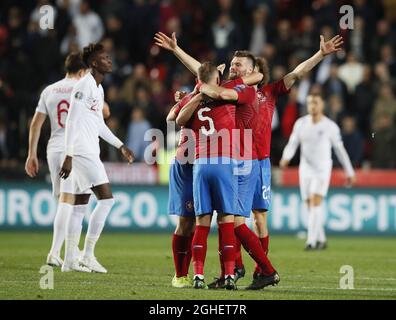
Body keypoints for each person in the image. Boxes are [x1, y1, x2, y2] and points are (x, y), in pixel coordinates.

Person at [25, 52, 110, 268]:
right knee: (70, 202)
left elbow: (35, 124)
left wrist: (31, 154)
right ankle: (57, 253)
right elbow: (105, 113)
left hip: (53, 149)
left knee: (65, 201)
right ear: (83, 70)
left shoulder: (49, 90)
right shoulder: (85, 86)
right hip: (74, 148)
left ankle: (69, 252)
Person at [59, 43, 134, 273]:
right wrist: (69, 155)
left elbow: (99, 124)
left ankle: (70, 259)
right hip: (81, 151)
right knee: (107, 200)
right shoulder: (84, 85)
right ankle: (88, 255)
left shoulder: (98, 89)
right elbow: (71, 120)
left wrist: (120, 144)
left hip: (87, 150)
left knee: (80, 205)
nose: (109, 60)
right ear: (93, 63)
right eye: (104, 57)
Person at [280, 93, 356, 250]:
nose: (312, 106)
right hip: (305, 169)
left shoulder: (330, 126)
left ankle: (311, 241)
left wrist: (350, 172)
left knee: (315, 201)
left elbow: (340, 150)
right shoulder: (301, 124)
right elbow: (293, 143)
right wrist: (285, 157)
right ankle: (321, 238)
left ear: (322, 105)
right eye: (309, 103)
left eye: (315, 102)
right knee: (309, 205)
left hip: (322, 169)